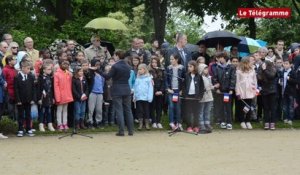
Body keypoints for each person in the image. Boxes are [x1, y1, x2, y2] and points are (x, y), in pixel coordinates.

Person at [100, 50, 134, 136]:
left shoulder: (115, 66)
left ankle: (121, 131)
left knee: (119, 110)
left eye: (115, 56)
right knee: (128, 110)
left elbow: (108, 77)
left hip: (117, 89)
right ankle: (131, 131)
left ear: (117, 56)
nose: (114, 57)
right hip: (126, 89)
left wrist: (98, 71)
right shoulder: (128, 66)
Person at [212, 51, 236, 130]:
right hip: (220, 91)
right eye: (218, 58)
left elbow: (233, 79)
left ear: (224, 57)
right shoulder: (217, 67)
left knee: (228, 106)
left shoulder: (231, 67)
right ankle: (222, 121)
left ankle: (229, 122)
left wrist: (231, 89)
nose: (218, 60)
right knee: (221, 106)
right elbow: (215, 78)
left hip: (227, 91)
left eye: (220, 58)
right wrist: (217, 88)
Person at [14, 61, 36, 137]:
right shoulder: (17, 77)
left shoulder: (31, 76)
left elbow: (33, 88)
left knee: (28, 115)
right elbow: (16, 90)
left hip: (29, 100)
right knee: (20, 115)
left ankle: (28, 129)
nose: (29, 70)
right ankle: (20, 129)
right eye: (28, 68)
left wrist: (33, 99)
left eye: (29, 68)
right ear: (22, 68)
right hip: (20, 100)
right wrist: (18, 100)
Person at [235, 57, 257, 129]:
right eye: (246, 63)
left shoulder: (252, 70)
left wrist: (255, 91)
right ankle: (242, 121)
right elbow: (237, 82)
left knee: (249, 107)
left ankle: (248, 121)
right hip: (242, 91)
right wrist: (238, 92)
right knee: (242, 107)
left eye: (248, 62)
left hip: (250, 91)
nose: (247, 64)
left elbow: (254, 81)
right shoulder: (238, 71)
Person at [183, 60, 204, 133]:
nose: (189, 68)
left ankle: (196, 126)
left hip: (196, 97)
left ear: (195, 67)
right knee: (188, 112)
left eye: (190, 66)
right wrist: (184, 95)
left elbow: (202, 87)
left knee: (196, 112)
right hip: (188, 97)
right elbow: (184, 86)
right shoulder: (186, 76)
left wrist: (200, 96)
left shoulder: (199, 76)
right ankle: (189, 126)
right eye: (188, 66)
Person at [165, 54, 185, 130]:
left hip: (178, 90)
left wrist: (182, 90)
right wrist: (168, 89)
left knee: (178, 107)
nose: (171, 61)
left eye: (172, 59)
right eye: (170, 59)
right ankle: (172, 123)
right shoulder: (168, 68)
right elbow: (166, 79)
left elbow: (184, 80)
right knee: (171, 106)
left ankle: (178, 123)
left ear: (177, 59)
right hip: (171, 90)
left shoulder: (182, 68)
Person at [257, 60, 278, 130]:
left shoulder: (273, 69)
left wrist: (264, 70)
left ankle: (272, 123)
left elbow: (271, 76)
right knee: (266, 108)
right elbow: (259, 78)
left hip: (272, 91)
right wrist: (262, 71)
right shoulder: (261, 70)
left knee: (272, 108)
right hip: (264, 91)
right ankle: (266, 122)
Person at [54, 59, 73, 131]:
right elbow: (56, 86)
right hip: (60, 95)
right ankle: (59, 124)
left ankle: (65, 123)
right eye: (64, 64)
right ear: (60, 65)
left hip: (67, 95)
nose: (65, 66)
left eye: (67, 64)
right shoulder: (57, 74)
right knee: (59, 110)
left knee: (65, 110)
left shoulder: (68, 73)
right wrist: (57, 97)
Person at [133, 63, 154, 130]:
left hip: (146, 98)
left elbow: (150, 88)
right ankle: (140, 124)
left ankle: (147, 124)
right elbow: (135, 88)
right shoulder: (137, 79)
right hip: (139, 98)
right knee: (140, 111)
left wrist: (150, 97)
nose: (139, 70)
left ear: (145, 70)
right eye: (138, 69)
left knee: (146, 111)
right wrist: (134, 96)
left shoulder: (148, 78)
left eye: (140, 69)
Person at [86, 59, 105, 129]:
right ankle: (90, 122)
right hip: (93, 93)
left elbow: (103, 83)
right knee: (91, 109)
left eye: (99, 65)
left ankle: (98, 122)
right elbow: (87, 74)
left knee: (99, 109)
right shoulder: (90, 73)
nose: (97, 66)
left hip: (100, 93)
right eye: (96, 65)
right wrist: (91, 69)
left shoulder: (101, 73)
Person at [37, 64, 55, 132]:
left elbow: (52, 88)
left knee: (49, 111)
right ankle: (41, 125)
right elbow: (38, 89)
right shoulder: (40, 78)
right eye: (48, 69)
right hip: (42, 97)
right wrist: (39, 99)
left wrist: (53, 97)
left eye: (50, 69)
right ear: (44, 70)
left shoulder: (50, 77)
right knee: (42, 111)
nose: (49, 71)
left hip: (49, 97)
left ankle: (50, 125)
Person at [149, 56, 165, 129]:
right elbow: (151, 83)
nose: (154, 64)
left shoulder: (161, 70)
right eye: (152, 62)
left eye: (155, 62)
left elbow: (163, 82)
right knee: (153, 107)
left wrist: (161, 91)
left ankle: (158, 121)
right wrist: (155, 91)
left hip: (160, 92)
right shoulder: (149, 71)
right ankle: (154, 121)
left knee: (159, 107)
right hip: (153, 92)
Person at [198, 63, 214, 133]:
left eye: (207, 68)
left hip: (209, 97)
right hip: (202, 97)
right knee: (201, 111)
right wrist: (213, 87)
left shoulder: (209, 77)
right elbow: (206, 87)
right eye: (205, 68)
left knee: (207, 111)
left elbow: (210, 86)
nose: (207, 70)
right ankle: (201, 124)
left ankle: (207, 123)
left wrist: (212, 86)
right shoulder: (200, 78)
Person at [280, 59, 297, 125]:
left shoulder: (293, 72)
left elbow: (296, 81)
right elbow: (281, 79)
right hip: (284, 91)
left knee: (290, 106)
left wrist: (289, 79)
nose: (285, 65)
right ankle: (285, 118)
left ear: (290, 65)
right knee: (284, 106)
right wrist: (280, 82)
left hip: (291, 92)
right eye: (284, 63)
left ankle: (290, 118)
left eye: (287, 63)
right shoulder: (282, 72)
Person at [2, 55, 17, 120]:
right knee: (10, 109)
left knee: (15, 110)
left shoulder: (15, 69)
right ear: (9, 61)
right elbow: (3, 81)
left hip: (15, 92)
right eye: (14, 59)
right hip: (8, 92)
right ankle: (10, 123)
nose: (15, 61)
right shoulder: (5, 70)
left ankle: (16, 123)